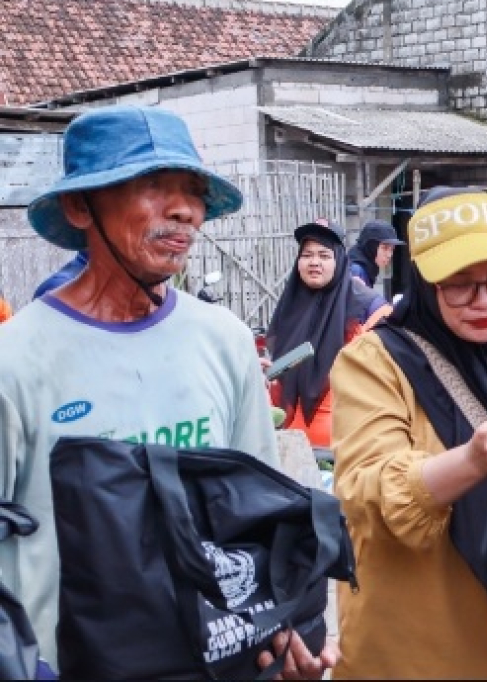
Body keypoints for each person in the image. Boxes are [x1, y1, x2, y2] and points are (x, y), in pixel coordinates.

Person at [0, 105, 334, 678]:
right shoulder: (15, 359)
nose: (183, 210)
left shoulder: (224, 342)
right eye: (153, 186)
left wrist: (280, 630)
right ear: (81, 207)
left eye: (193, 191)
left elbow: (252, 523)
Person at [328, 187, 487, 679]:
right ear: (425, 283)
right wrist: (471, 462)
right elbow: (366, 492)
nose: (485, 301)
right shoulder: (375, 362)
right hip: (412, 648)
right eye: (459, 284)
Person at [266, 219, 391, 448]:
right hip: (294, 444)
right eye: (306, 255)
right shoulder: (291, 307)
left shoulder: (368, 309)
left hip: (347, 447)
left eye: (324, 255)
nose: (314, 262)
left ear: (339, 261)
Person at [347, 218, 404, 289]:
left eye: (392, 249)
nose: (389, 255)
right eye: (385, 248)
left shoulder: (367, 268)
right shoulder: (356, 271)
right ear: (371, 246)